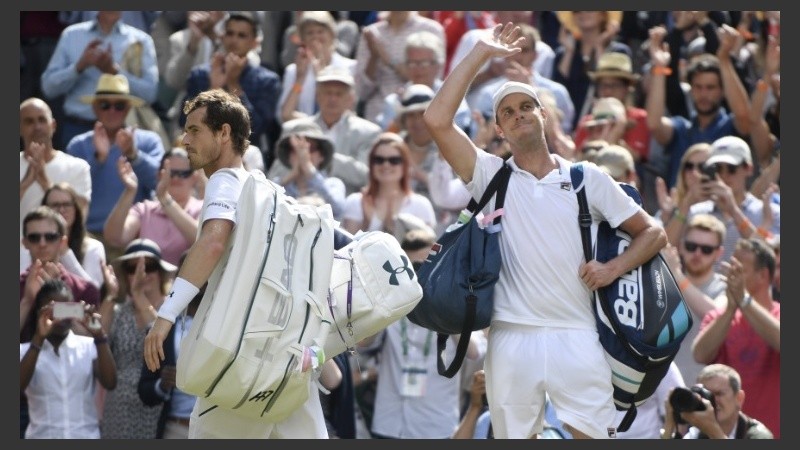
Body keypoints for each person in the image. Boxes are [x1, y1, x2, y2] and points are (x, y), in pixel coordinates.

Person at [423, 23, 666, 439]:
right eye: (507, 112)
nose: (518, 115)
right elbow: (437, 119)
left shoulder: (586, 177)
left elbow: (653, 233)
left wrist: (612, 269)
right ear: (499, 129)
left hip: (578, 333)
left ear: (543, 114)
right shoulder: (491, 177)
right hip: (510, 337)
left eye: (525, 107)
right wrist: (482, 53)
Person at [144, 88, 329, 438]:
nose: (185, 139)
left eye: (195, 130)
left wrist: (166, 314)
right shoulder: (268, 189)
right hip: (286, 357)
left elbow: (213, 241)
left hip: (244, 358)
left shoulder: (225, 181)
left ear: (224, 133)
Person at [645, 24, 751, 189]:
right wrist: (659, 67)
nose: (703, 94)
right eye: (698, 87)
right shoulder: (681, 129)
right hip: (682, 211)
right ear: (691, 89)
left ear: (722, 91)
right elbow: (654, 124)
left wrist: (723, 59)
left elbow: (745, 116)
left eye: (710, 88)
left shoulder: (730, 127)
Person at [692, 238, 780, 438]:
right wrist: (732, 308)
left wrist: (744, 300)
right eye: (729, 267)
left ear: (763, 275)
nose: (730, 275)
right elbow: (700, 354)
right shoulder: (720, 316)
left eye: (739, 270)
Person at [65, 73, 165, 244]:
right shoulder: (78, 145)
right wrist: (98, 158)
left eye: (119, 105)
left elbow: (161, 182)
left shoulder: (149, 141)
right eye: (105, 105)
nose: (112, 111)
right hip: (87, 237)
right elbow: (70, 192)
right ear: (95, 108)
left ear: (128, 109)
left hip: (135, 236)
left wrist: (134, 155)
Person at [40, 11, 158, 149]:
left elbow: (150, 93)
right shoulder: (71, 35)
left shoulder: (141, 40)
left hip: (122, 133)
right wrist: (79, 66)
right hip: (77, 128)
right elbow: (48, 88)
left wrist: (115, 72)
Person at [180, 11, 281, 166]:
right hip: (202, 153)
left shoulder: (267, 81)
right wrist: (214, 88)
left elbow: (256, 130)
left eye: (242, 35)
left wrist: (233, 83)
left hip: (246, 157)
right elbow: (185, 121)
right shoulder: (200, 74)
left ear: (254, 42)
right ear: (222, 37)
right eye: (230, 33)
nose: (234, 40)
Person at [100, 238, 178, 439]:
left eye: (149, 267)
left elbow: (161, 340)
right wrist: (111, 295)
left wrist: (139, 295)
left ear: (160, 272)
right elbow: (99, 344)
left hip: (157, 405)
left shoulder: (173, 310)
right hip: (119, 408)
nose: (141, 275)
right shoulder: (119, 312)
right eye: (132, 269)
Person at [20, 278, 117, 439]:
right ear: (39, 312)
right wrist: (38, 339)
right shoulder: (25, 351)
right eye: (55, 310)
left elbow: (110, 382)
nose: (61, 317)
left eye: (67, 309)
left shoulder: (88, 346)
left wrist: (99, 335)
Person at [267, 66, 379, 195]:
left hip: (344, 209)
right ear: (317, 96)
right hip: (296, 203)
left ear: (351, 99)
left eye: (339, 94)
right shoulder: (294, 129)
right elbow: (275, 176)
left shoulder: (368, 132)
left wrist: (324, 156)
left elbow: (367, 176)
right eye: (328, 92)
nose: (333, 99)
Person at [685, 136, 779, 267]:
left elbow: (769, 263)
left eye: (731, 168)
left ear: (749, 169)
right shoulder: (697, 212)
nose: (724, 175)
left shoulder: (770, 212)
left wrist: (734, 211)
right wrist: (687, 202)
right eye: (717, 168)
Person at [103, 147, 203, 267]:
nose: (176, 178)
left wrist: (165, 199)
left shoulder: (202, 208)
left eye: (183, 174)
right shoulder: (145, 210)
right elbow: (115, 238)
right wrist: (129, 191)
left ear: (194, 177)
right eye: (170, 172)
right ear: (159, 175)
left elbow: (201, 241)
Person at [662, 214, 728, 385]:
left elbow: (715, 315)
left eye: (706, 249)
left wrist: (677, 275)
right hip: (663, 390)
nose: (697, 254)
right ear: (682, 246)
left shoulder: (725, 287)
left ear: (719, 253)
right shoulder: (664, 283)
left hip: (704, 391)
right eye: (691, 246)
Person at [20, 206, 102, 343]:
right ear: (25, 243)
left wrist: (58, 303)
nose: (42, 243)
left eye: (50, 237)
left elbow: (93, 343)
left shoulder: (85, 289)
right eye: (34, 237)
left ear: (62, 242)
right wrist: (27, 301)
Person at [137, 277, 205, 439]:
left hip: (215, 430)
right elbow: (145, 390)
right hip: (175, 428)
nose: (197, 280)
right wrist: (162, 383)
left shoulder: (226, 325)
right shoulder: (162, 330)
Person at [20, 97, 91, 240]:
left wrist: (45, 183)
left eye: (42, 120)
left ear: (53, 125)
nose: (37, 127)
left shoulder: (77, 167)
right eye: (29, 121)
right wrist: (24, 184)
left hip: (61, 250)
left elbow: (80, 216)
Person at [341, 132, 436, 238]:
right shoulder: (355, 201)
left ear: (405, 165)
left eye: (394, 160)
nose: (386, 165)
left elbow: (427, 248)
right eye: (379, 160)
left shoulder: (421, 204)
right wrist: (366, 224)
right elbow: (347, 248)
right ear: (371, 164)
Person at [22, 183, 107, 289]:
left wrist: (66, 253)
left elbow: (94, 291)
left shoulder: (93, 247)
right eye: (55, 205)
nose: (61, 210)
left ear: (76, 209)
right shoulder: (31, 243)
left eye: (67, 204)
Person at [278, 11, 356, 124]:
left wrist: (321, 74)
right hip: (304, 131)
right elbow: (284, 115)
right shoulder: (293, 70)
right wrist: (299, 79)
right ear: (302, 39)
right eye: (310, 33)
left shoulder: (350, 67)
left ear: (332, 34)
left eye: (320, 31)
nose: (315, 36)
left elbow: (350, 112)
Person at [661, 363, 773, 439]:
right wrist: (669, 426)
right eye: (705, 393)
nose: (711, 401)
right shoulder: (695, 434)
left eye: (719, 394)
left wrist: (713, 432)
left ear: (739, 398)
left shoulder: (758, 435)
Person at [270, 121, 346, 219]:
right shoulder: (279, 184)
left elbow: (338, 209)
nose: (303, 154)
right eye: (296, 149)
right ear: (289, 156)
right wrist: (293, 174)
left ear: (321, 156)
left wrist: (308, 168)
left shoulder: (333, 184)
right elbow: (265, 202)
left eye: (310, 148)